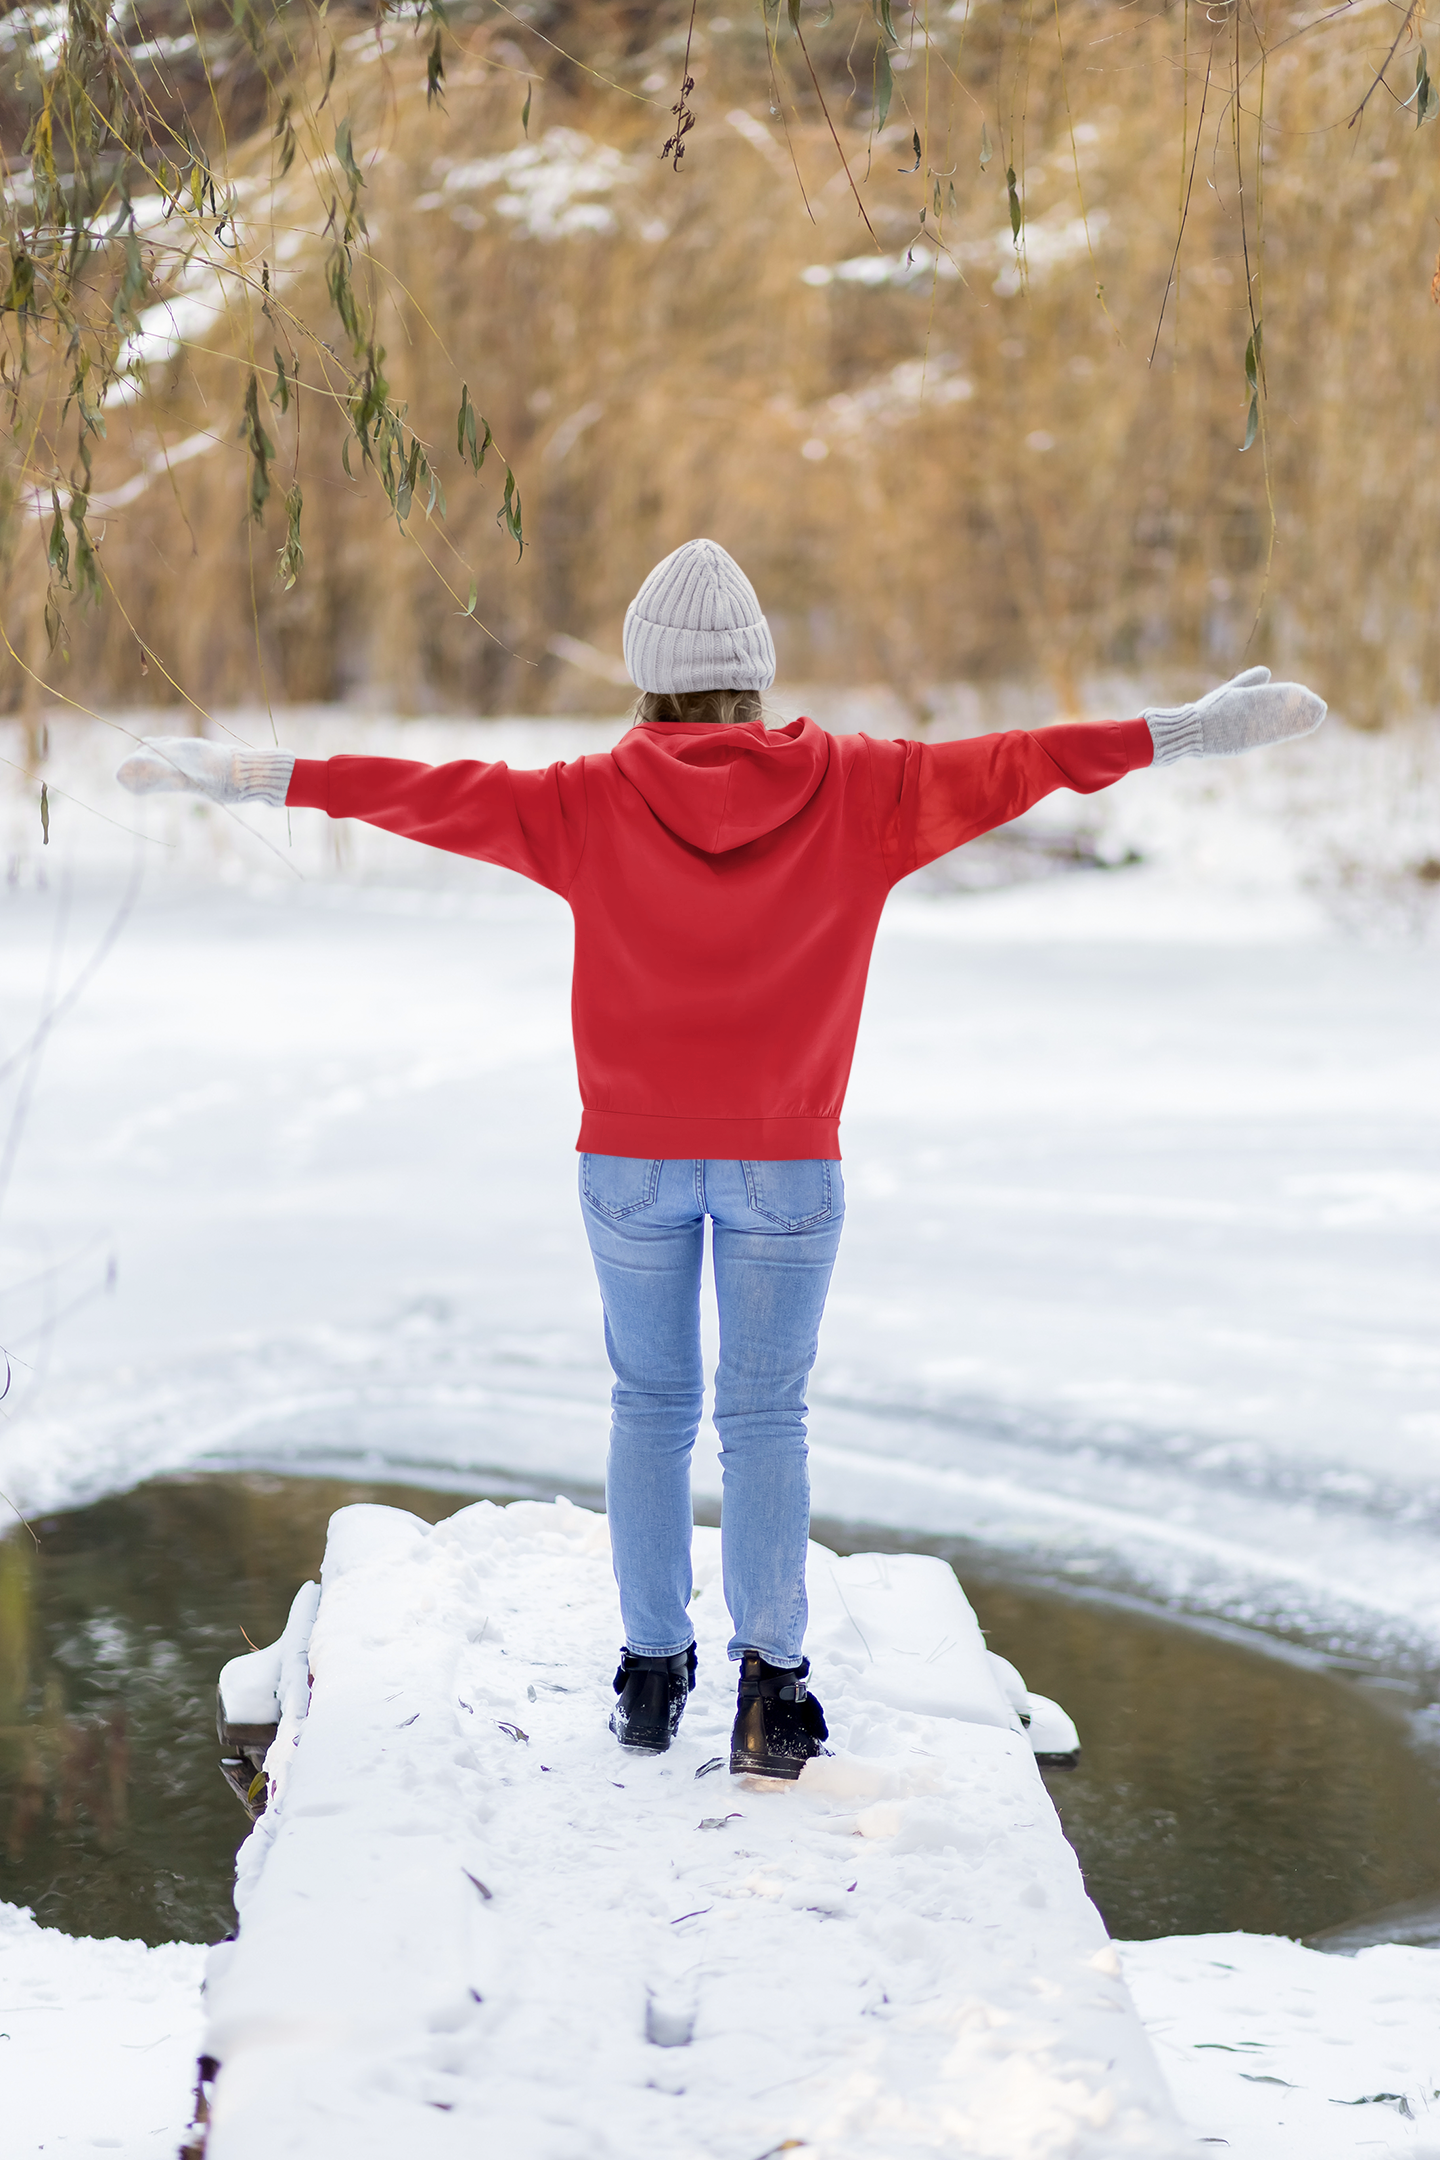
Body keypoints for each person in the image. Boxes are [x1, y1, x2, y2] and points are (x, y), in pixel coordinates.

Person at [117, 538, 1326, 1778]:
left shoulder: (583, 800)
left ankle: (650, 1675)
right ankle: (773, 1689)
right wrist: (1184, 732)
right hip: (788, 1168)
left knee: (649, 1409)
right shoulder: (868, 788)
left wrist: (256, 773)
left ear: (646, 679)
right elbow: (1028, 763)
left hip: (629, 1164)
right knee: (764, 1420)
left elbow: (420, 789)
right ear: (754, 675)